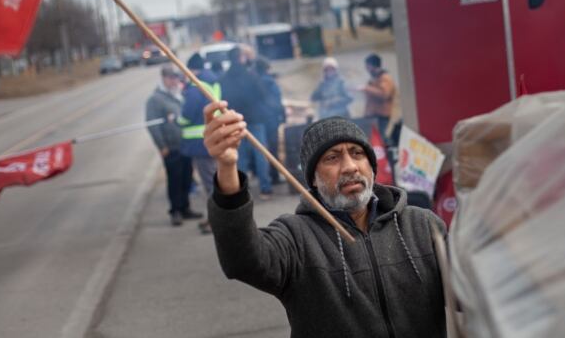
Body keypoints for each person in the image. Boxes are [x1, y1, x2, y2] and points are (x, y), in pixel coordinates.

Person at [203, 110, 448, 338]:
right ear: (313, 179)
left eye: (357, 153)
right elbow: (242, 259)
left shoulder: (422, 225)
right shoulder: (295, 238)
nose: (350, 166)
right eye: (332, 157)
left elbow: (469, 291)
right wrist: (227, 168)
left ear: (372, 167)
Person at [146, 64, 203, 226]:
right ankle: (175, 211)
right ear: (164, 79)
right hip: (171, 147)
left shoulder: (179, 94)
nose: (174, 81)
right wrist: (161, 146)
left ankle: (185, 208)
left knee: (187, 178)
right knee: (175, 180)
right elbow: (152, 125)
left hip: (185, 144)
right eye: (171, 78)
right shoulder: (156, 99)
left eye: (176, 78)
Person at [218, 47, 273, 199]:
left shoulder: (224, 78)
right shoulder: (250, 75)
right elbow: (262, 94)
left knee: (240, 157)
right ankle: (265, 189)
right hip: (255, 120)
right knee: (260, 154)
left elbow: (223, 100)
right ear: (240, 58)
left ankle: (242, 190)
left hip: (235, 122)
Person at [179, 53, 220, 234]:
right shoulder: (212, 81)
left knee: (210, 183)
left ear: (192, 69)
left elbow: (187, 115)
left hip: (201, 142)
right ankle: (213, 218)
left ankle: (215, 221)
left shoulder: (197, 87)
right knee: (214, 180)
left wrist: (177, 119)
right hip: (214, 135)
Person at [253, 57, 286, 185]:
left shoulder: (253, 82)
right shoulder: (271, 83)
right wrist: (282, 115)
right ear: (266, 68)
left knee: (260, 150)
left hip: (258, 121)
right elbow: (277, 102)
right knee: (273, 149)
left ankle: (263, 177)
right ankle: (275, 176)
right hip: (271, 120)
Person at [360, 53, 396, 138]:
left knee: (380, 139)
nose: (366, 68)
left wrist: (366, 88)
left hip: (381, 116)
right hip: (372, 115)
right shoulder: (374, 78)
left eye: (367, 66)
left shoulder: (385, 78)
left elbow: (384, 94)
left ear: (373, 65)